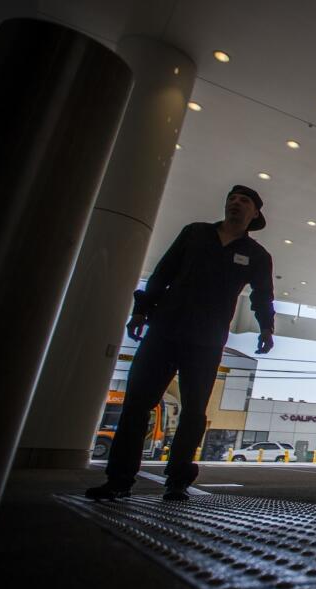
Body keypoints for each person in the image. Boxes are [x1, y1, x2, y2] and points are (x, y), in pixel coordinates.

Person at [86, 185, 276, 501]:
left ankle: (177, 481)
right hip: (164, 331)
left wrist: (266, 329)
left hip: (207, 340)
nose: (235, 204)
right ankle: (118, 480)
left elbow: (262, 297)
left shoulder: (257, 256)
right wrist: (141, 311)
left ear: (255, 213)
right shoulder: (195, 233)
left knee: (193, 411)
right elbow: (163, 273)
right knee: (136, 405)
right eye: (232, 198)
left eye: (244, 201)